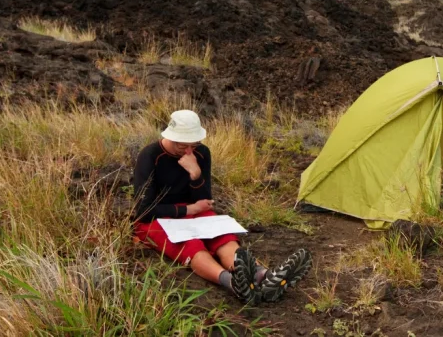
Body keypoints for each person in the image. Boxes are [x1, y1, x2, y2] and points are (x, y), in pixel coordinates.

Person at [130, 109, 312, 305]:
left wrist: (196, 174)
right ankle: (233, 283)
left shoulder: (202, 153)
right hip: (158, 218)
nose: (190, 151)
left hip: (195, 210)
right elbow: (144, 210)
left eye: (194, 144)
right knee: (192, 245)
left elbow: (205, 198)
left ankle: (263, 276)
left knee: (222, 236)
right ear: (171, 137)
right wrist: (188, 210)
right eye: (183, 146)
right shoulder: (149, 156)